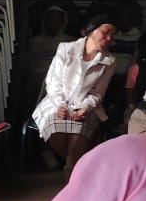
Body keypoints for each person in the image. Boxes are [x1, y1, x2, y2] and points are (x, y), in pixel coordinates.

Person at [30, 15, 117, 172]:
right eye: (105, 32)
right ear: (91, 31)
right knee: (61, 136)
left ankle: (71, 168)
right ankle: (77, 168)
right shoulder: (66, 49)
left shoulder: (109, 60)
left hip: (86, 107)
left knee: (76, 142)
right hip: (56, 103)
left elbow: (98, 93)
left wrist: (85, 107)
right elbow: (53, 82)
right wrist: (60, 105)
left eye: (112, 34)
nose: (109, 38)